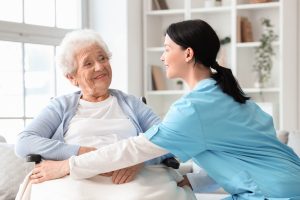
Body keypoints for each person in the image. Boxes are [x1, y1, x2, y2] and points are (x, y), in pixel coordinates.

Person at [27, 20, 300, 199]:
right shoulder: (227, 94)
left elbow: (136, 149)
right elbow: (241, 157)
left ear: (188, 54)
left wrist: (68, 165)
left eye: (167, 48)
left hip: (272, 193)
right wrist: (193, 182)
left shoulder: (194, 108)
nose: (161, 56)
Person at [15, 29, 196, 200]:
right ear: (72, 77)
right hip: (76, 177)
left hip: (128, 177)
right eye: (88, 63)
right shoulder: (60, 106)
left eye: (102, 58)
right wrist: (81, 153)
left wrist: (138, 159)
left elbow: (168, 140)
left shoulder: (132, 103)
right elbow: (24, 141)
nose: (100, 66)